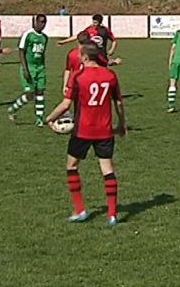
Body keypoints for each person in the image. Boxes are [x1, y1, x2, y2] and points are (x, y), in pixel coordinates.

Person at [44, 43, 127, 227]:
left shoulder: (78, 76)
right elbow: (119, 103)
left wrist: (49, 119)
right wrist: (121, 125)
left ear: (85, 58)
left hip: (82, 130)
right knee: (107, 169)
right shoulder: (111, 75)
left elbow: (66, 105)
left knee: (72, 166)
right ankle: (112, 215)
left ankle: (80, 210)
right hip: (104, 131)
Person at [8, 14, 48, 126]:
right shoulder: (28, 35)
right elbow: (21, 51)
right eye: (40, 22)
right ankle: (13, 109)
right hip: (29, 67)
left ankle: (39, 118)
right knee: (30, 93)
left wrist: (43, 68)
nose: (42, 24)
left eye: (44, 22)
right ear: (35, 22)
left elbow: (42, 54)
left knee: (40, 92)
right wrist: (25, 69)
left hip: (40, 68)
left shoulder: (45, 38)